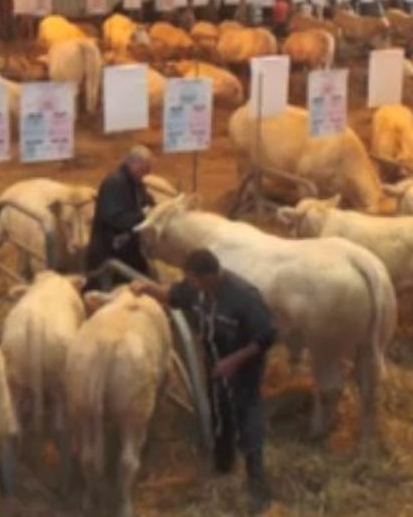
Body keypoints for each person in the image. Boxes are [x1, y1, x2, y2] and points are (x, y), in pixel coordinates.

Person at [132, 249, 276, 514]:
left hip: (243, 368)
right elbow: (172, 296)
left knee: (247, 416)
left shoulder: (244, 296)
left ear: (211, 276)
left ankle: (258, 485)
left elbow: (266, 336)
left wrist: (233, 362)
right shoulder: (194, 289)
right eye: (189, 280)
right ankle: (223, 467)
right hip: (215, 365)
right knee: (220, 413)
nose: (191, 284)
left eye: (194, 279)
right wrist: (147, 289)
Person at [84, 146, 154, 290]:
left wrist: (154, 209)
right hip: (109, 253)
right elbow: (114, 218)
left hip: (129, 251)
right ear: (133, 163)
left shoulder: (135, 183)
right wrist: (142, 216)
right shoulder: (114, 183)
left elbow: (146, 201)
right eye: (144, 169)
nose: (146, 173)